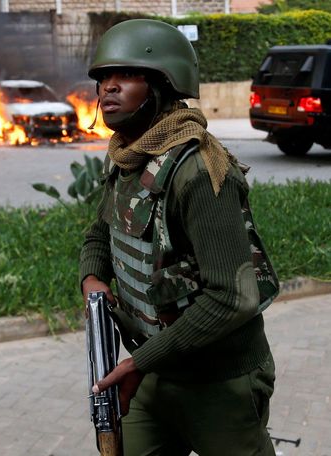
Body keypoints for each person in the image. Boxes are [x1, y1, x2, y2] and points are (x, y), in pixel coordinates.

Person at [80, 19, 279, 455]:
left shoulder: (200, 170)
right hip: (155, 372)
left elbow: (232, 297)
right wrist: (92, 278)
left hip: (219, 382)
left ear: (163, 85)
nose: (108, 88)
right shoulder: (130, 155)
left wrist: (140, 363)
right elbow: (102, 230)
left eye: (127, 75)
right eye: (103, 78)